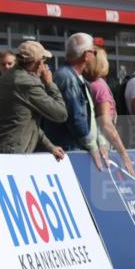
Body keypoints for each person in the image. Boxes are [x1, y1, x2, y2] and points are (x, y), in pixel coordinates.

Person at [0, 41, 67, 159]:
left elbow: (26, 121)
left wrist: (50, 146)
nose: (44, 65)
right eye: (43, 61)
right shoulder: (27, 83)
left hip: (1, 151)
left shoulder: (8, 77)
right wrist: (49, 83)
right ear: (38, 63)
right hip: (10, 155)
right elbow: (61, 114)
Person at [42, 33, 103, 169]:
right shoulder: (68, 79)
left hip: (71, 148)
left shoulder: (72, 77)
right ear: (85, 55)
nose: (95, 56)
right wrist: (92, 146)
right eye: (94, 52)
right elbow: (76, 118)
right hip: (70, 150)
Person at [85, 47, 134, 175]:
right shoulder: (99, 86)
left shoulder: (90, 83)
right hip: (102, 148)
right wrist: (123, 154)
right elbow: (106, 124)